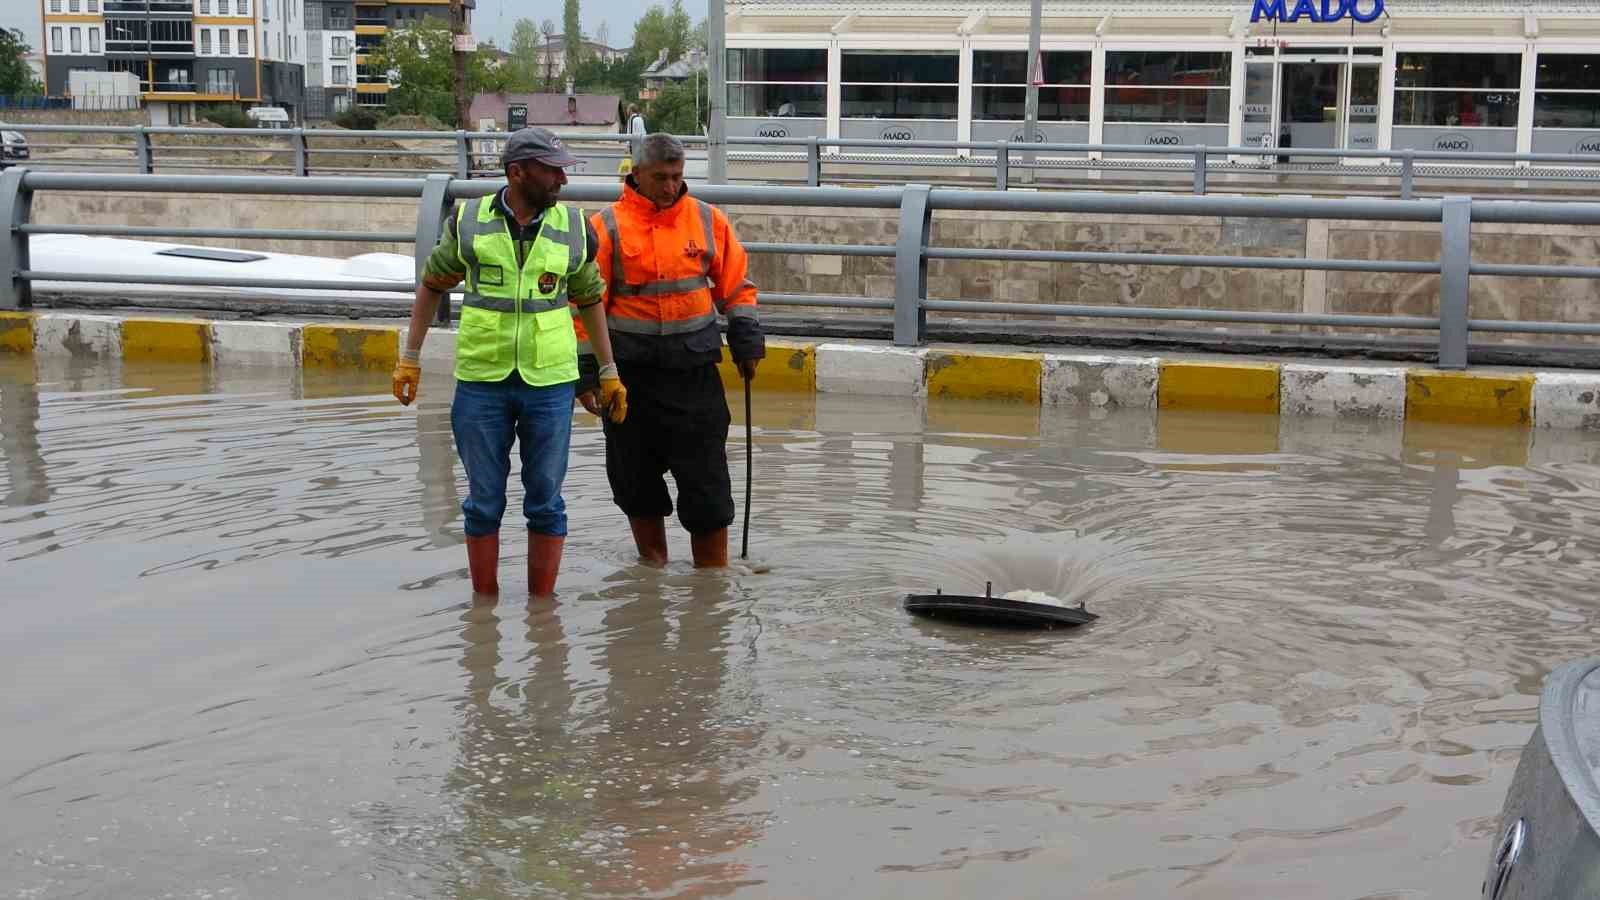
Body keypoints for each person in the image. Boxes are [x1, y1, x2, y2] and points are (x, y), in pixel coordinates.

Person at [392, 126, 629, 601]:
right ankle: (485, 611)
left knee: (546, 501)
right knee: (483, 502)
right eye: (552, 169)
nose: (563, 178)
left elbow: (590, 300)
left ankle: (543, 614)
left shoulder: (575, 227)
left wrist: (608, 373)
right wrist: (409, 360)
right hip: (483, 383)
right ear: (517, 172)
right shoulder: (470, 221)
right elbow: (432, 284)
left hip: (550, 385)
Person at [574, 133, 765, 569]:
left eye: (677, 176)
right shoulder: (604, 227)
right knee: (635, 483)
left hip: (693, 374)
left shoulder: (707, 220)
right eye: (660, 177)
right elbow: (582, 307)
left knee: (707, 485)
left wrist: (746, 335)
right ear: (635, 173)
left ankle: (711, 584)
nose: (670, 187)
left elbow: (736, 287)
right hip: (628, 379)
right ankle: (652, 572)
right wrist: (588, 373)